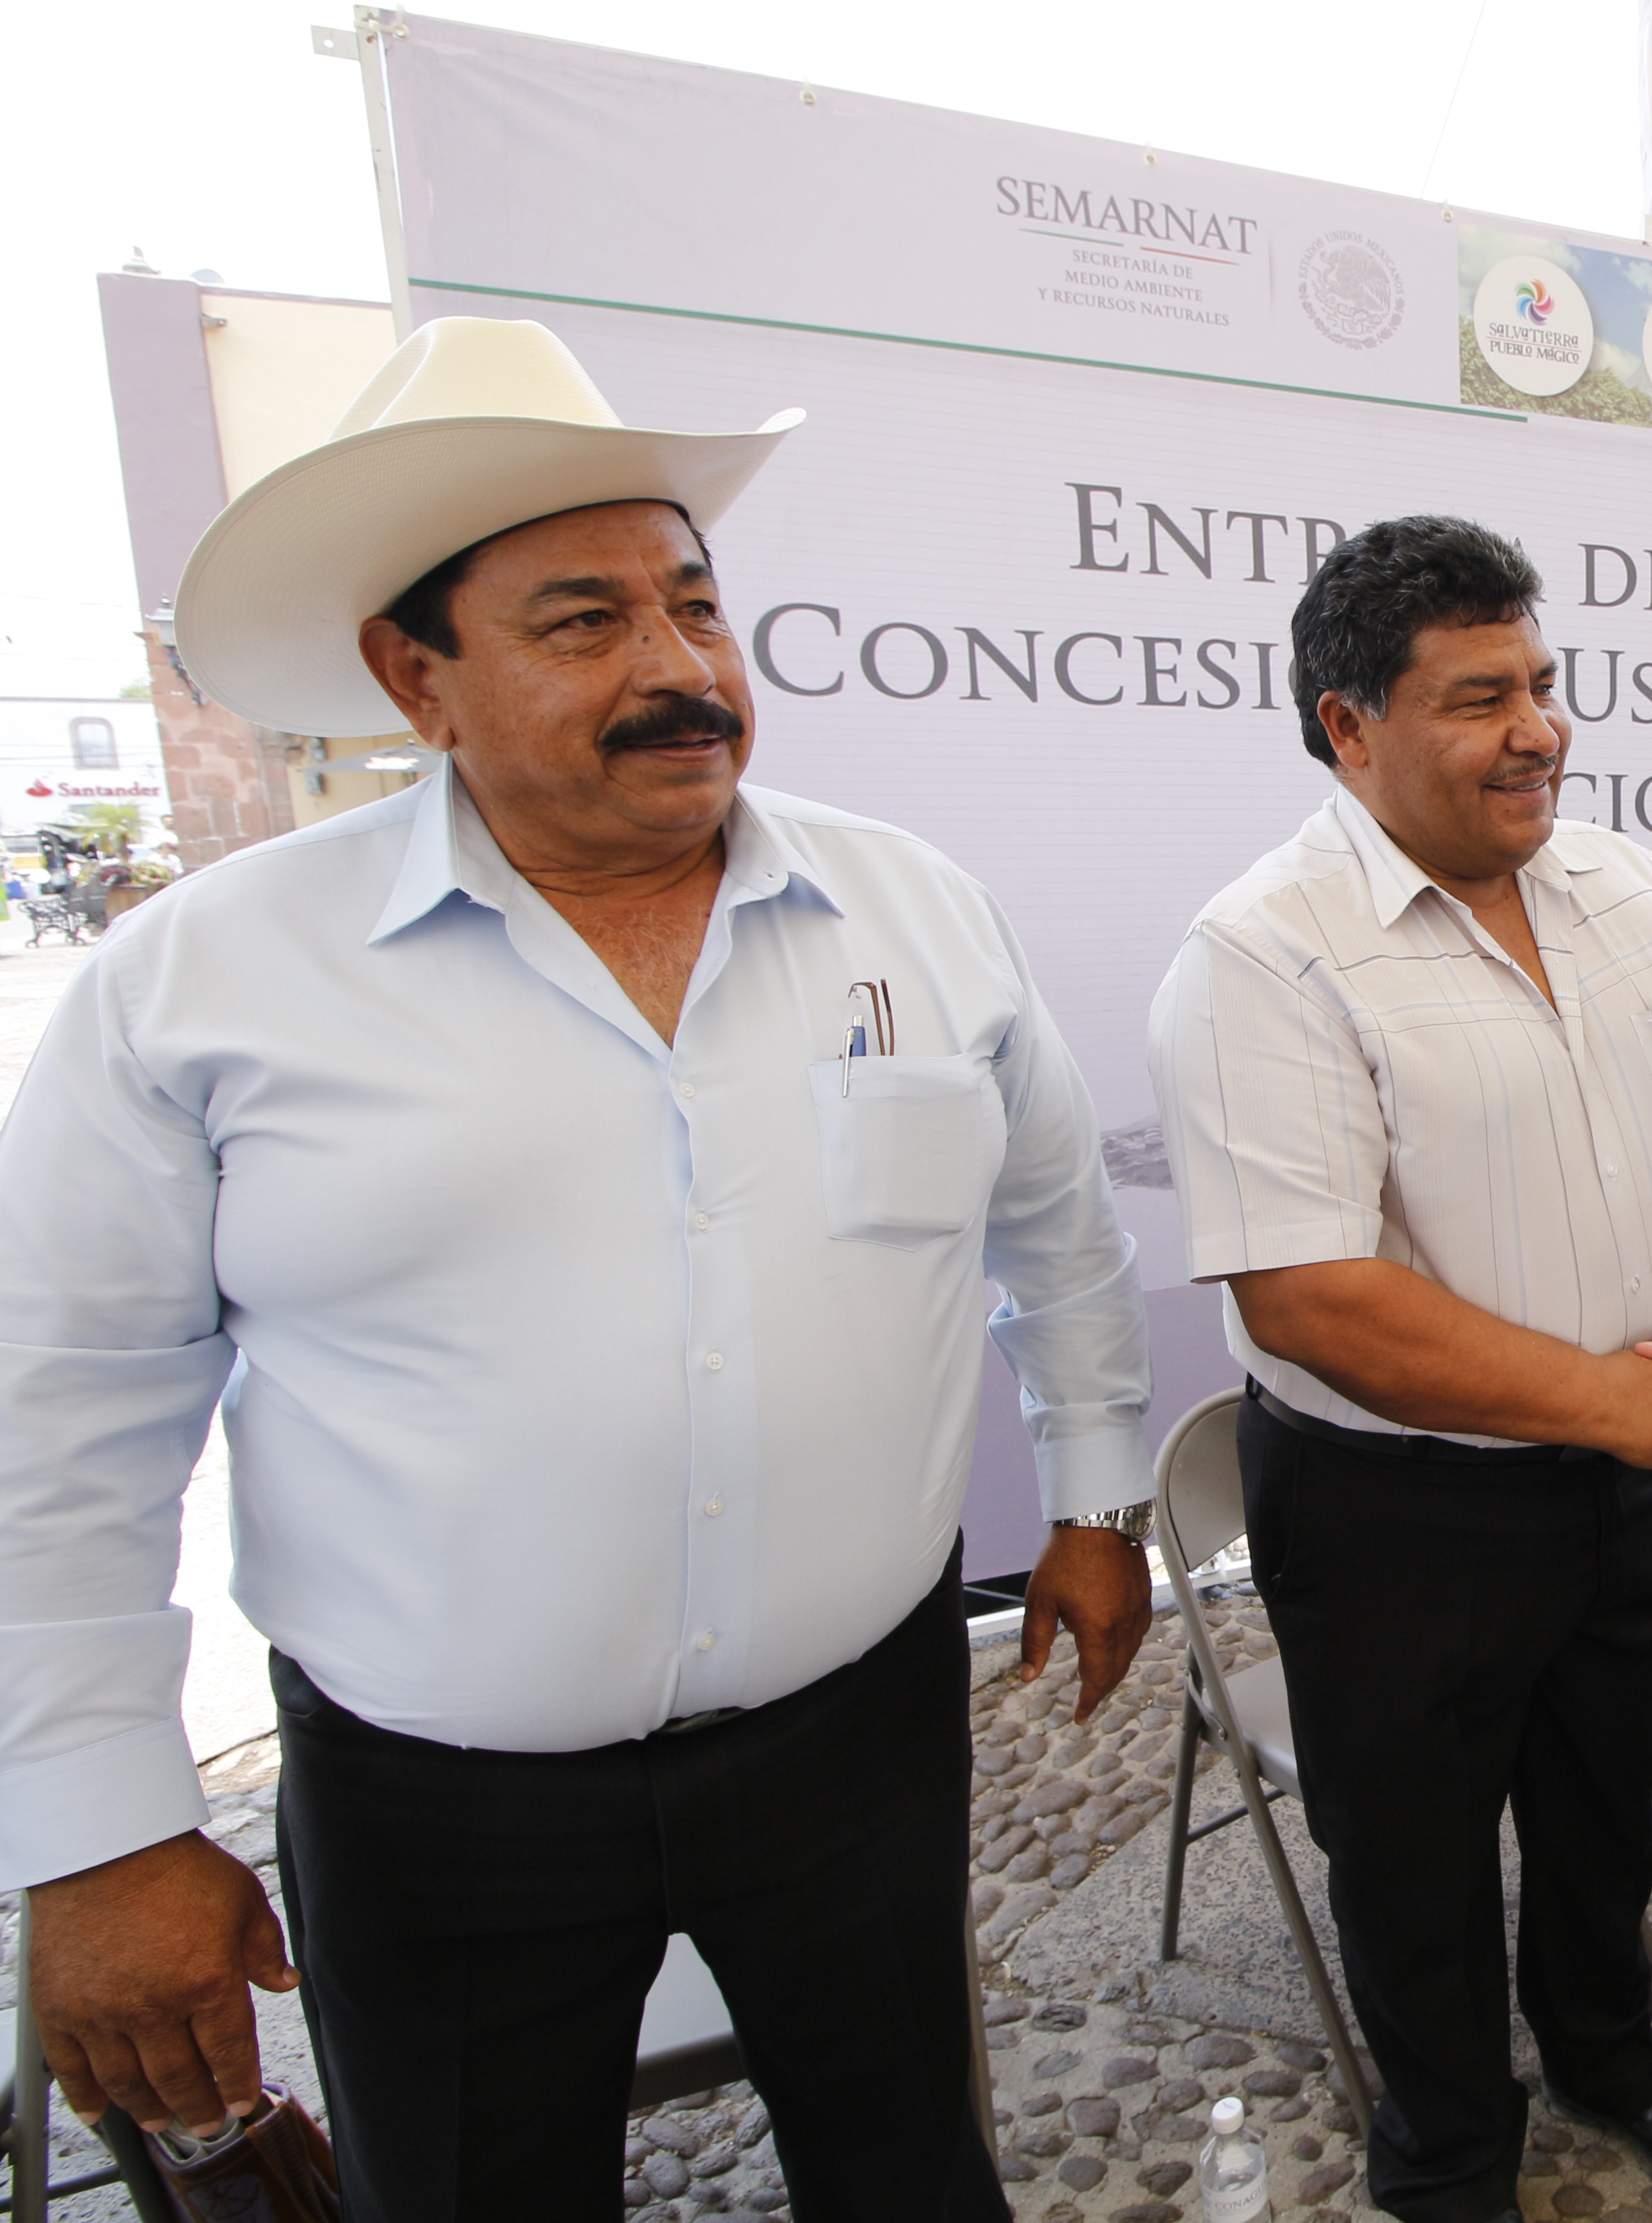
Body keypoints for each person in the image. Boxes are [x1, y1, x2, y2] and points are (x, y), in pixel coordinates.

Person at [0, 319, 1157, 2220]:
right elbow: (59, 1427)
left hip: (856, 1740)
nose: (681, 671)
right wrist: (103, 1825)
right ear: (414, 673)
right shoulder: (200, 984)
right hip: (434, 1805)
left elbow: (1054, 1223)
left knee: (911, 2174)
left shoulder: (915, 908)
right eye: (582, 622)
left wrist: (1101, 1492)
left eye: (695, 606)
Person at [1148, 515, 1652, 2223]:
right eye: (1480, 696)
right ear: (1349, 726)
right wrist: (1622, 1404)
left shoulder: (1635, 888)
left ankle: (1610, 2055)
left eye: (1546, 684)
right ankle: (1448, 2158)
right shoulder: (1261, 955)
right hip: (1394, 1514)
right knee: (1413, 1868)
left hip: (1625, 1479)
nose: (1542, 730)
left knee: (1604, 1805)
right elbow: (1311, 1301)